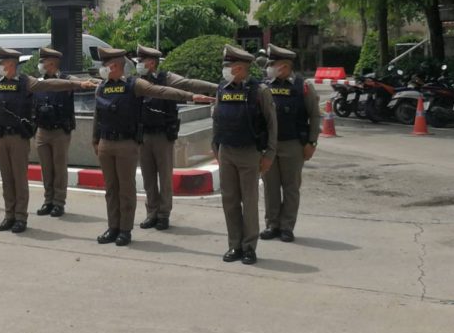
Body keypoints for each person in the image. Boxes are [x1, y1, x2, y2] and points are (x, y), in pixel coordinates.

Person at [92, 47, 215, 246]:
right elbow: (98, 115)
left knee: (131, 187)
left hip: (140, 139)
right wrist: (95, 140)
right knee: (114, 188)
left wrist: (191, 96)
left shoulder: (136, 84)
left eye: (105, 64)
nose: (102, 68)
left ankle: (130, 227)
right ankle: (114, 226)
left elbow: (162, 91)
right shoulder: (101, 87)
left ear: (114, 66)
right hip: (115, 141)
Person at [0, 47, 97, 233]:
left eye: (2, 63)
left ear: (11, 64)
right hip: (7, 135)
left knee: (24, 178)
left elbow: (54, 85)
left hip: (32, 134)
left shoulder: (27, 82)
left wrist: (80, 84)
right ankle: (10, 215)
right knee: (8, 179)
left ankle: (24, 215)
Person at [133, 44, 218, 231]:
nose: (138, 64)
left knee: (164, 177)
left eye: (141, 60)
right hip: (143, 135)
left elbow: (189, 84)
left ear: (152, 63)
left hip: (163, 135)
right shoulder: (136, 81)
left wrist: (217, 88)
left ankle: (163, 214)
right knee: (148, 177)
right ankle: (151, 212)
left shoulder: (167, 78)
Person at [213, 44, 278, 265]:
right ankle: (235, 245)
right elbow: (217, 118)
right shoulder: (222, 88)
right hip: (226, 151)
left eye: (229, 66)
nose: (225, 70)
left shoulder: (259, 91)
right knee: (229, 200)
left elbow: (272, 124)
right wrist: (215, 146)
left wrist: (269, 154)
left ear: (240, 68)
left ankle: (249, 247)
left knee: (249, 202)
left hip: (250, 152)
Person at [260, 44, 320, 243]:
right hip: (269, 145)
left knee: (291, 187)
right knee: (270, 187)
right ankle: (272, 224)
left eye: (272, 64)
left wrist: (311, 142)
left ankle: (287, 227)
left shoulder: (303, 86)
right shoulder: (265, 86)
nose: (269, 68)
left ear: (284, 66)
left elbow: (314, 115)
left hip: (293, 144)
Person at [33, 47, 94, 218]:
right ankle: (48, 200)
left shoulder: (66, 80)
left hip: (60, 131)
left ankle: (59, 202)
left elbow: (78, 82)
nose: (40, 64)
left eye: (43, 61)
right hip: (42, 131)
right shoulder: (39, 82)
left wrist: (85, 82)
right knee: (46, 168)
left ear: (52, 63)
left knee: (59, 168)